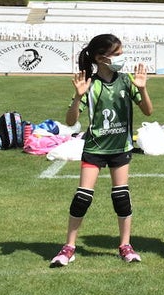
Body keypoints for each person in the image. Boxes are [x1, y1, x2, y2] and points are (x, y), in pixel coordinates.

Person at [50, 34, 153, 267]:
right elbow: (70, 120)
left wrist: (143, 89)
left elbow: (148, 111)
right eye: (116, 54)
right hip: (95, 148)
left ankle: (125, 245)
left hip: (120, 148)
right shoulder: (90, 84)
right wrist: (78, 96)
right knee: (82, 198)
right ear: (100, 58)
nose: (121, 58)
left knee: (121, 197)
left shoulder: (127, 81)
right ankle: (69, 246)